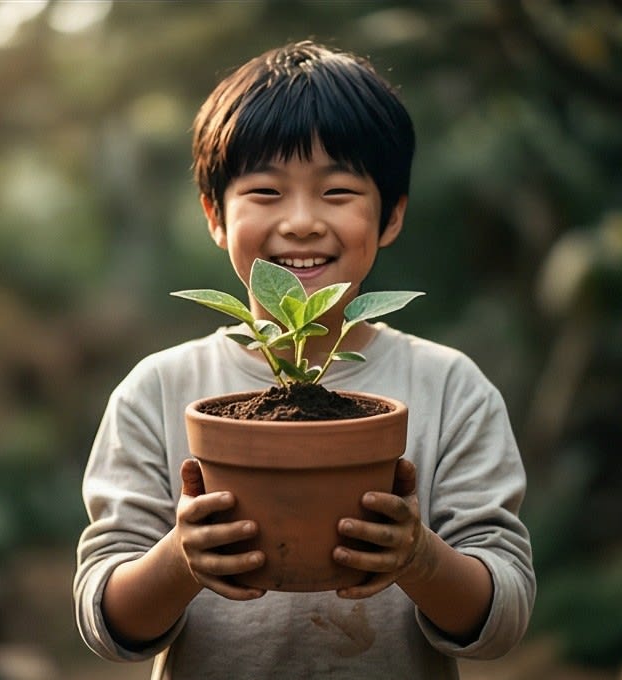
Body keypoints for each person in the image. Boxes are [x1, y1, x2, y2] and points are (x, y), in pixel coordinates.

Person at [75, 41, 534, 679]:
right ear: (215, 214)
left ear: (391, 215)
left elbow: (502, 616)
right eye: (264, 191)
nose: (300, 222)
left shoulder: (450, 387)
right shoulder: (159, 390)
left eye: (338, 190)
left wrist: (419, 558)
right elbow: (105, 615)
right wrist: (182, 559)